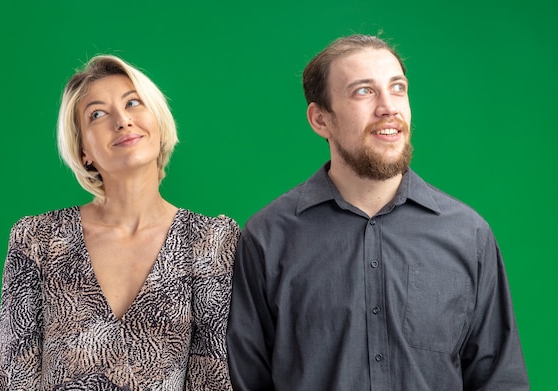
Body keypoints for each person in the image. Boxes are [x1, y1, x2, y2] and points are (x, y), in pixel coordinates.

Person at [227, 35, 529, 390]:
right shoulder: (268, 237)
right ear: (320, 120)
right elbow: (245, 381)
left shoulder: (468, 234)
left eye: (397, 88)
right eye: (363, 92)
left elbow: (499, 380)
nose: (389, 107)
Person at [0, 55, 240, 390]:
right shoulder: (38, 240)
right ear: (83, 151)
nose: (122, 121)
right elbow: (12, 379)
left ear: (157, 120)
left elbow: (213, 379)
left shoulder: (210, 240)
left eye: (133, 103)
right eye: (97, 114)